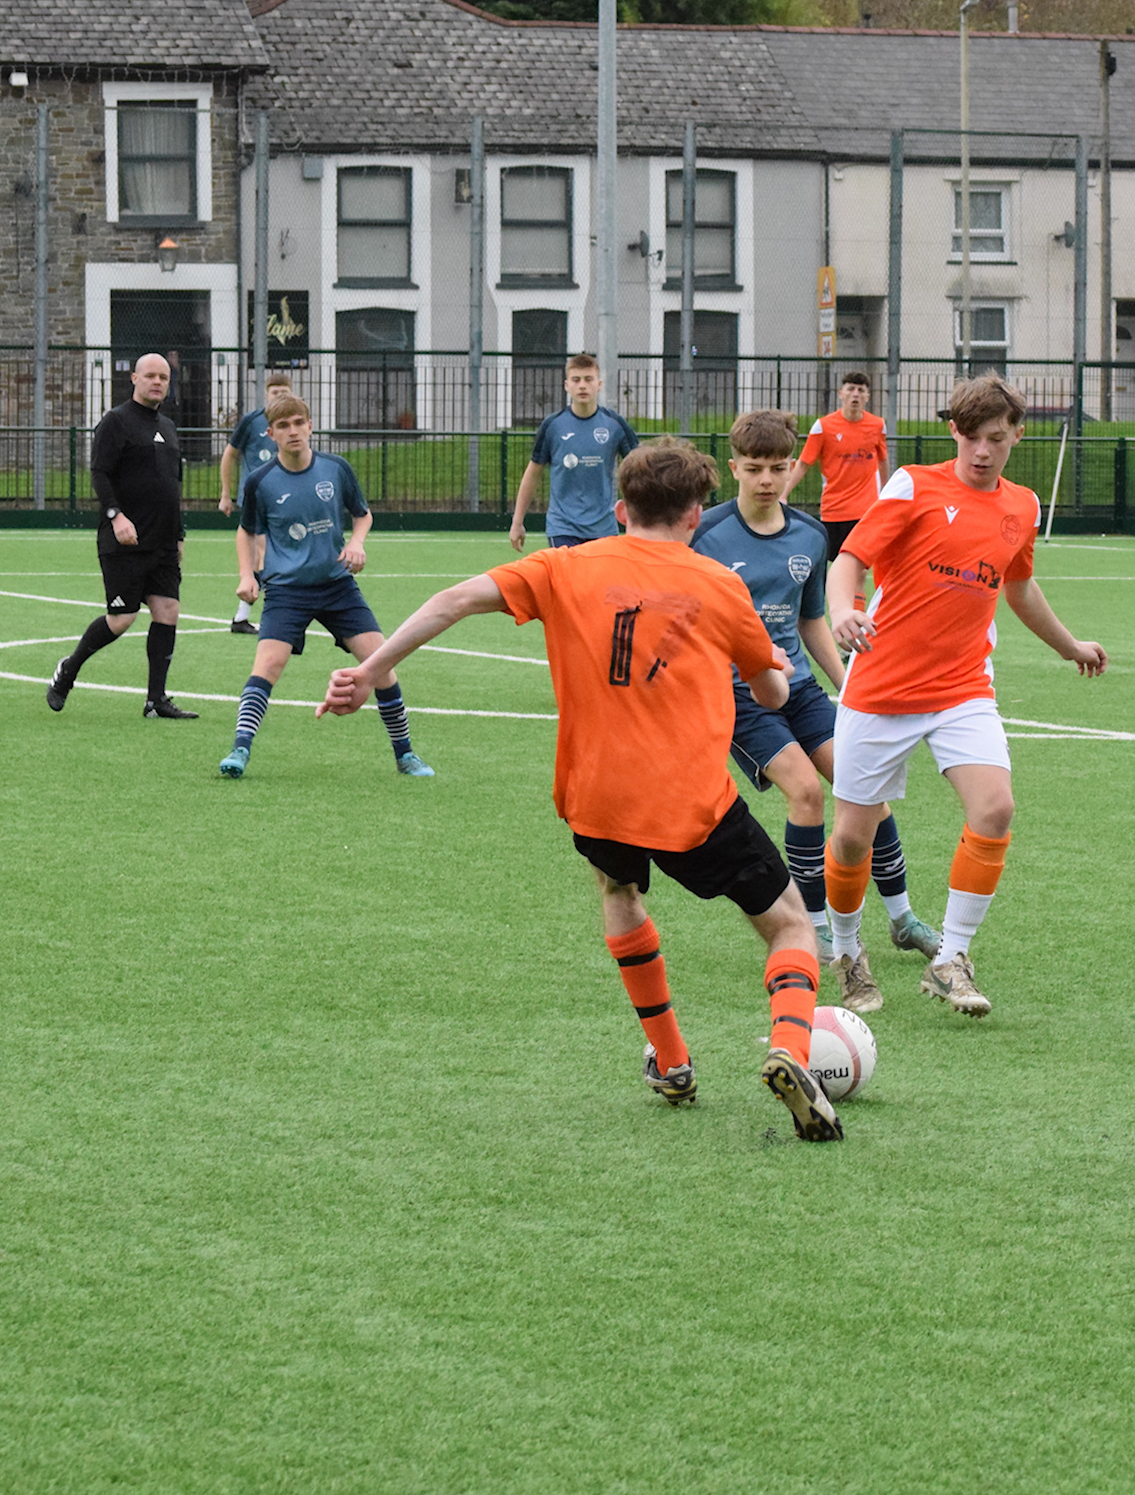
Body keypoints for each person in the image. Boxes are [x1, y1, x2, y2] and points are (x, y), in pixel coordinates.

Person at [323, 438, 845, 1141]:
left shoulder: (563, 566)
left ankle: (672, 1060)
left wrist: (368, 671)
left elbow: (454, 600)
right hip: (691, 802)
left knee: (619, 891)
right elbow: (772, 694)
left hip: (597, 797)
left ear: (620, 509)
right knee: (788, 923)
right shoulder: (720, 584)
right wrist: (771, 663)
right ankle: (790, 1049)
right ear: (696, 515)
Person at [822, 376, 1109, 1018]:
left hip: (962, 688)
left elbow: (1019, 587)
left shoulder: (1023, 506)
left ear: (1017, 436)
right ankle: (846, 950)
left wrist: (1070, 646)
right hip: (881, 686)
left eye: (997, 439)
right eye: (972, 437)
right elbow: (849, 559)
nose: (983, 451)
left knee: (995, 807)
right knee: (851, 840)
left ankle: (950, 959)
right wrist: (843, 610)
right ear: (954, 430)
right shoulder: (913, 486)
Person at [692, 410, 943, 1014]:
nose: (767, 480)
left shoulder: (809, 535)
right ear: (734, 468)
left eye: (778, 468)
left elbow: (811, 622)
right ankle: (817, 924)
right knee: (806, 793)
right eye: (754, 468)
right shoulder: (706, 536)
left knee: (865, 791)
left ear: (791, 470)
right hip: (740, 694)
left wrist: (850, 688)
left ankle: (902, 918)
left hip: (801, 688)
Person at [218, 394, 432, 780]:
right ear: (271, 434)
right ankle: (240, 749)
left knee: (381, 663)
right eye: (283, 426)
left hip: (337, 587)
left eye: (298, 422)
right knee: (268, 665)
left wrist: (356, 543)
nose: (293, 431)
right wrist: (247, 575)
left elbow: (362, 515)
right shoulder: (260, 481)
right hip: (286, 590)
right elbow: (245, 531)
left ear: (311, 426)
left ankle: (406, 754)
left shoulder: (335, 469)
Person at [47, 352, 196, 719]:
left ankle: (156, 701)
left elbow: (172, 485)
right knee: (122, 619)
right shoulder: (116, 421)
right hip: (125, 540)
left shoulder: (168, 427)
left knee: (167, 611)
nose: (157, 382)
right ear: (134, 379)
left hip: (162, 541)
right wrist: (116, 516)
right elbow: (99, 473)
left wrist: (178, 534)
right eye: (150, 375)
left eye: (164, 377)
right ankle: (68, 670)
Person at [510, 353, 638, 551]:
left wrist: (642, 518)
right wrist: (517, 521)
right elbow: (533, 472)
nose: (582, 386)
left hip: (603, 528)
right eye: (576, 380)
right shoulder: (553, 425)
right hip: (563, 528)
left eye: (588, 379)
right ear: (566, 385)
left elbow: (639, 470)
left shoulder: (614, 424)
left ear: (599, 384)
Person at [218, 380, 301, 633]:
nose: (279, 396)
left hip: (285, 498)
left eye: (284, 392)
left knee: (266, 557)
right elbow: (230, 454)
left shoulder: (293, 425)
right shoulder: (251, 421)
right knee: (265, 554)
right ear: (266, 395)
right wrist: (225, 494)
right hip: (256, 498)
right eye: (275, 393)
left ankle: (242, 617)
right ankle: (280, 612)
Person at [799, 371, 890, 561]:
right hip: (834, 509)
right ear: (841, 394)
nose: (855, 394)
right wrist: (783, 494)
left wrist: (886, 493)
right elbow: (804, 463)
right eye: (851, 389)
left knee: (861, 561)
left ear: (867, 396)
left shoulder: (877, 425)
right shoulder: (823, 426)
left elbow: (883, 460)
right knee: (832, 562)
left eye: (861, 390)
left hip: (865, 510)